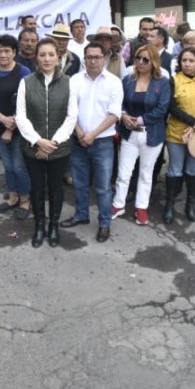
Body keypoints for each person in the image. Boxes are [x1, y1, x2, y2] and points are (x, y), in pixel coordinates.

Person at [15, 38, 78, 247]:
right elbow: (21, 117)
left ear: (58, 57)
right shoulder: (26, 82)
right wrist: (38, 141)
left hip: (59, 148)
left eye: (51, 54)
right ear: (36, 58)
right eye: (42, 55)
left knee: (56, 188)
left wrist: (53, 142)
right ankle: (39, 226)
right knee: (37, 188)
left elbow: (71, 117)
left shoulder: (69, 82)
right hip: (33, 148)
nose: (47, 59)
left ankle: (53, 226)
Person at [63, 41, 121, 242]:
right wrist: (80, 133)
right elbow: (70, 111)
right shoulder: (75, 80)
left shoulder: (114, 82)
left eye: (97, 57)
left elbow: (114, 114)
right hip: (78, 140)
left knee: (103, 187)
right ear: (84, 59)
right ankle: (81, 215)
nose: (93, 61)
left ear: (104, 58)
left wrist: (93, 134)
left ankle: (104, 223)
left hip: (102, 142)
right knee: (80, 183)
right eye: (89, 57)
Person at [111, 44, 170, 227]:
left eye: (145, 59)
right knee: (123, 173)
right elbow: (118, 102)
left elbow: (162, 108)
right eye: (138, 58)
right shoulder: (128, 80)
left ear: (154, 62)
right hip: (129, 135)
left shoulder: (163, 82)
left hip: (151, 135)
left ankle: (141, 207)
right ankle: (118, 204)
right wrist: (123, 115)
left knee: (145, 174)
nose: (141, 62)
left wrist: (140, 120)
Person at [164, 47, 195, 225]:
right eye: (184, 60)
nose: (187, 64)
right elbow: (171, 106)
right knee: (175, 169)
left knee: (193, 169)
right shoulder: (174, 80)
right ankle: (169, 205)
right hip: (176, 133)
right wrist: (193, 121)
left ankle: (190, 204)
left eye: (191, 61)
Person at [0, 34, 32, 219]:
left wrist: (10, 128)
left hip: (20, 129)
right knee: (8, 166)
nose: (3, 55)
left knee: (19, 167)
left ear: (14, 52)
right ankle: (13, 197)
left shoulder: (23, 72)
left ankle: (25, 200)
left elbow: (26, 102)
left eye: (7, 51)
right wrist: (2, 119)